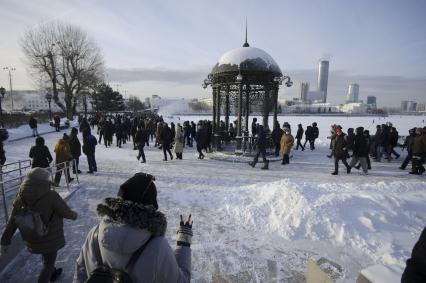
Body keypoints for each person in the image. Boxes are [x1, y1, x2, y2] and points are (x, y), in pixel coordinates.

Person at [72, 173, 192, 283]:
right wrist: (184, 242)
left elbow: (80, 273)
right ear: (151, 204)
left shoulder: (94, 234)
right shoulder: (158, 247)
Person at [1, 168, 78, 283]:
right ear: (43, 181)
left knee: (46, 257)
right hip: (50, 236)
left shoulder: (20, 197)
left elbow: (12, 221)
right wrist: (74, 215)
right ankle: (48, 273)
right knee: (48, 264)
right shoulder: (51, 195)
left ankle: (52, 272)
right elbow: (65, 211)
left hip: (32, 236)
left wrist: (5, 240)